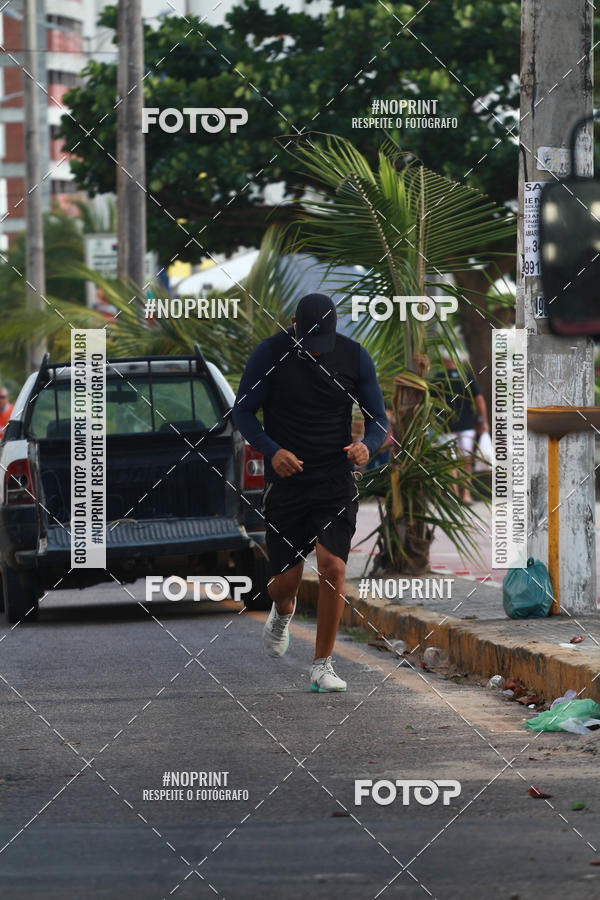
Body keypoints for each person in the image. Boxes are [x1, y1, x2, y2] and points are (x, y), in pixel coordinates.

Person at [233, 293, 387, 692]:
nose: (316, 353)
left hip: (335, 480)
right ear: (293, 323)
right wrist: (272, 451)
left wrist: (367, 445)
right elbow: (243, 412)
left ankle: (323, 665)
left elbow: (378, 419)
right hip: (287, 482)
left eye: (322, 345)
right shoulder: (269, 354)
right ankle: (283, 610)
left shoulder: (354, 357)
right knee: (285, 584)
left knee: (333, 566)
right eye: (308, 343)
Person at [437, 356, 489, 504]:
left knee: (450, 462)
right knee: (466, 461)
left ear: (445, 362)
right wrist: (483, 421)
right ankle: (466, 495)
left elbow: (432, 399)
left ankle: (454, 495)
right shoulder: (466, 377)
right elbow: (479, 400)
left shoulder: (439, 377)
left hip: (446, 426)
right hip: (467, 425)